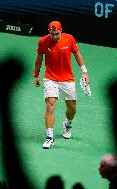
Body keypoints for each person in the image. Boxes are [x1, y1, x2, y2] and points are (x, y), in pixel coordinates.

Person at [33, 20, 90, 149]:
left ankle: (67, 124)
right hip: (50, 78)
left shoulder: (69, 39)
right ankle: (49, 137)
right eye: (52, 34)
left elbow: (77, 54)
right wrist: (36, 74)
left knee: (72, 108)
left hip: (67, 80)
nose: (54, 36)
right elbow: (39, 59)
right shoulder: (43, 42)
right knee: (50, 105)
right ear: (49, 32)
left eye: (57, 34)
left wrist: (84, 72)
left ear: (61, 31)